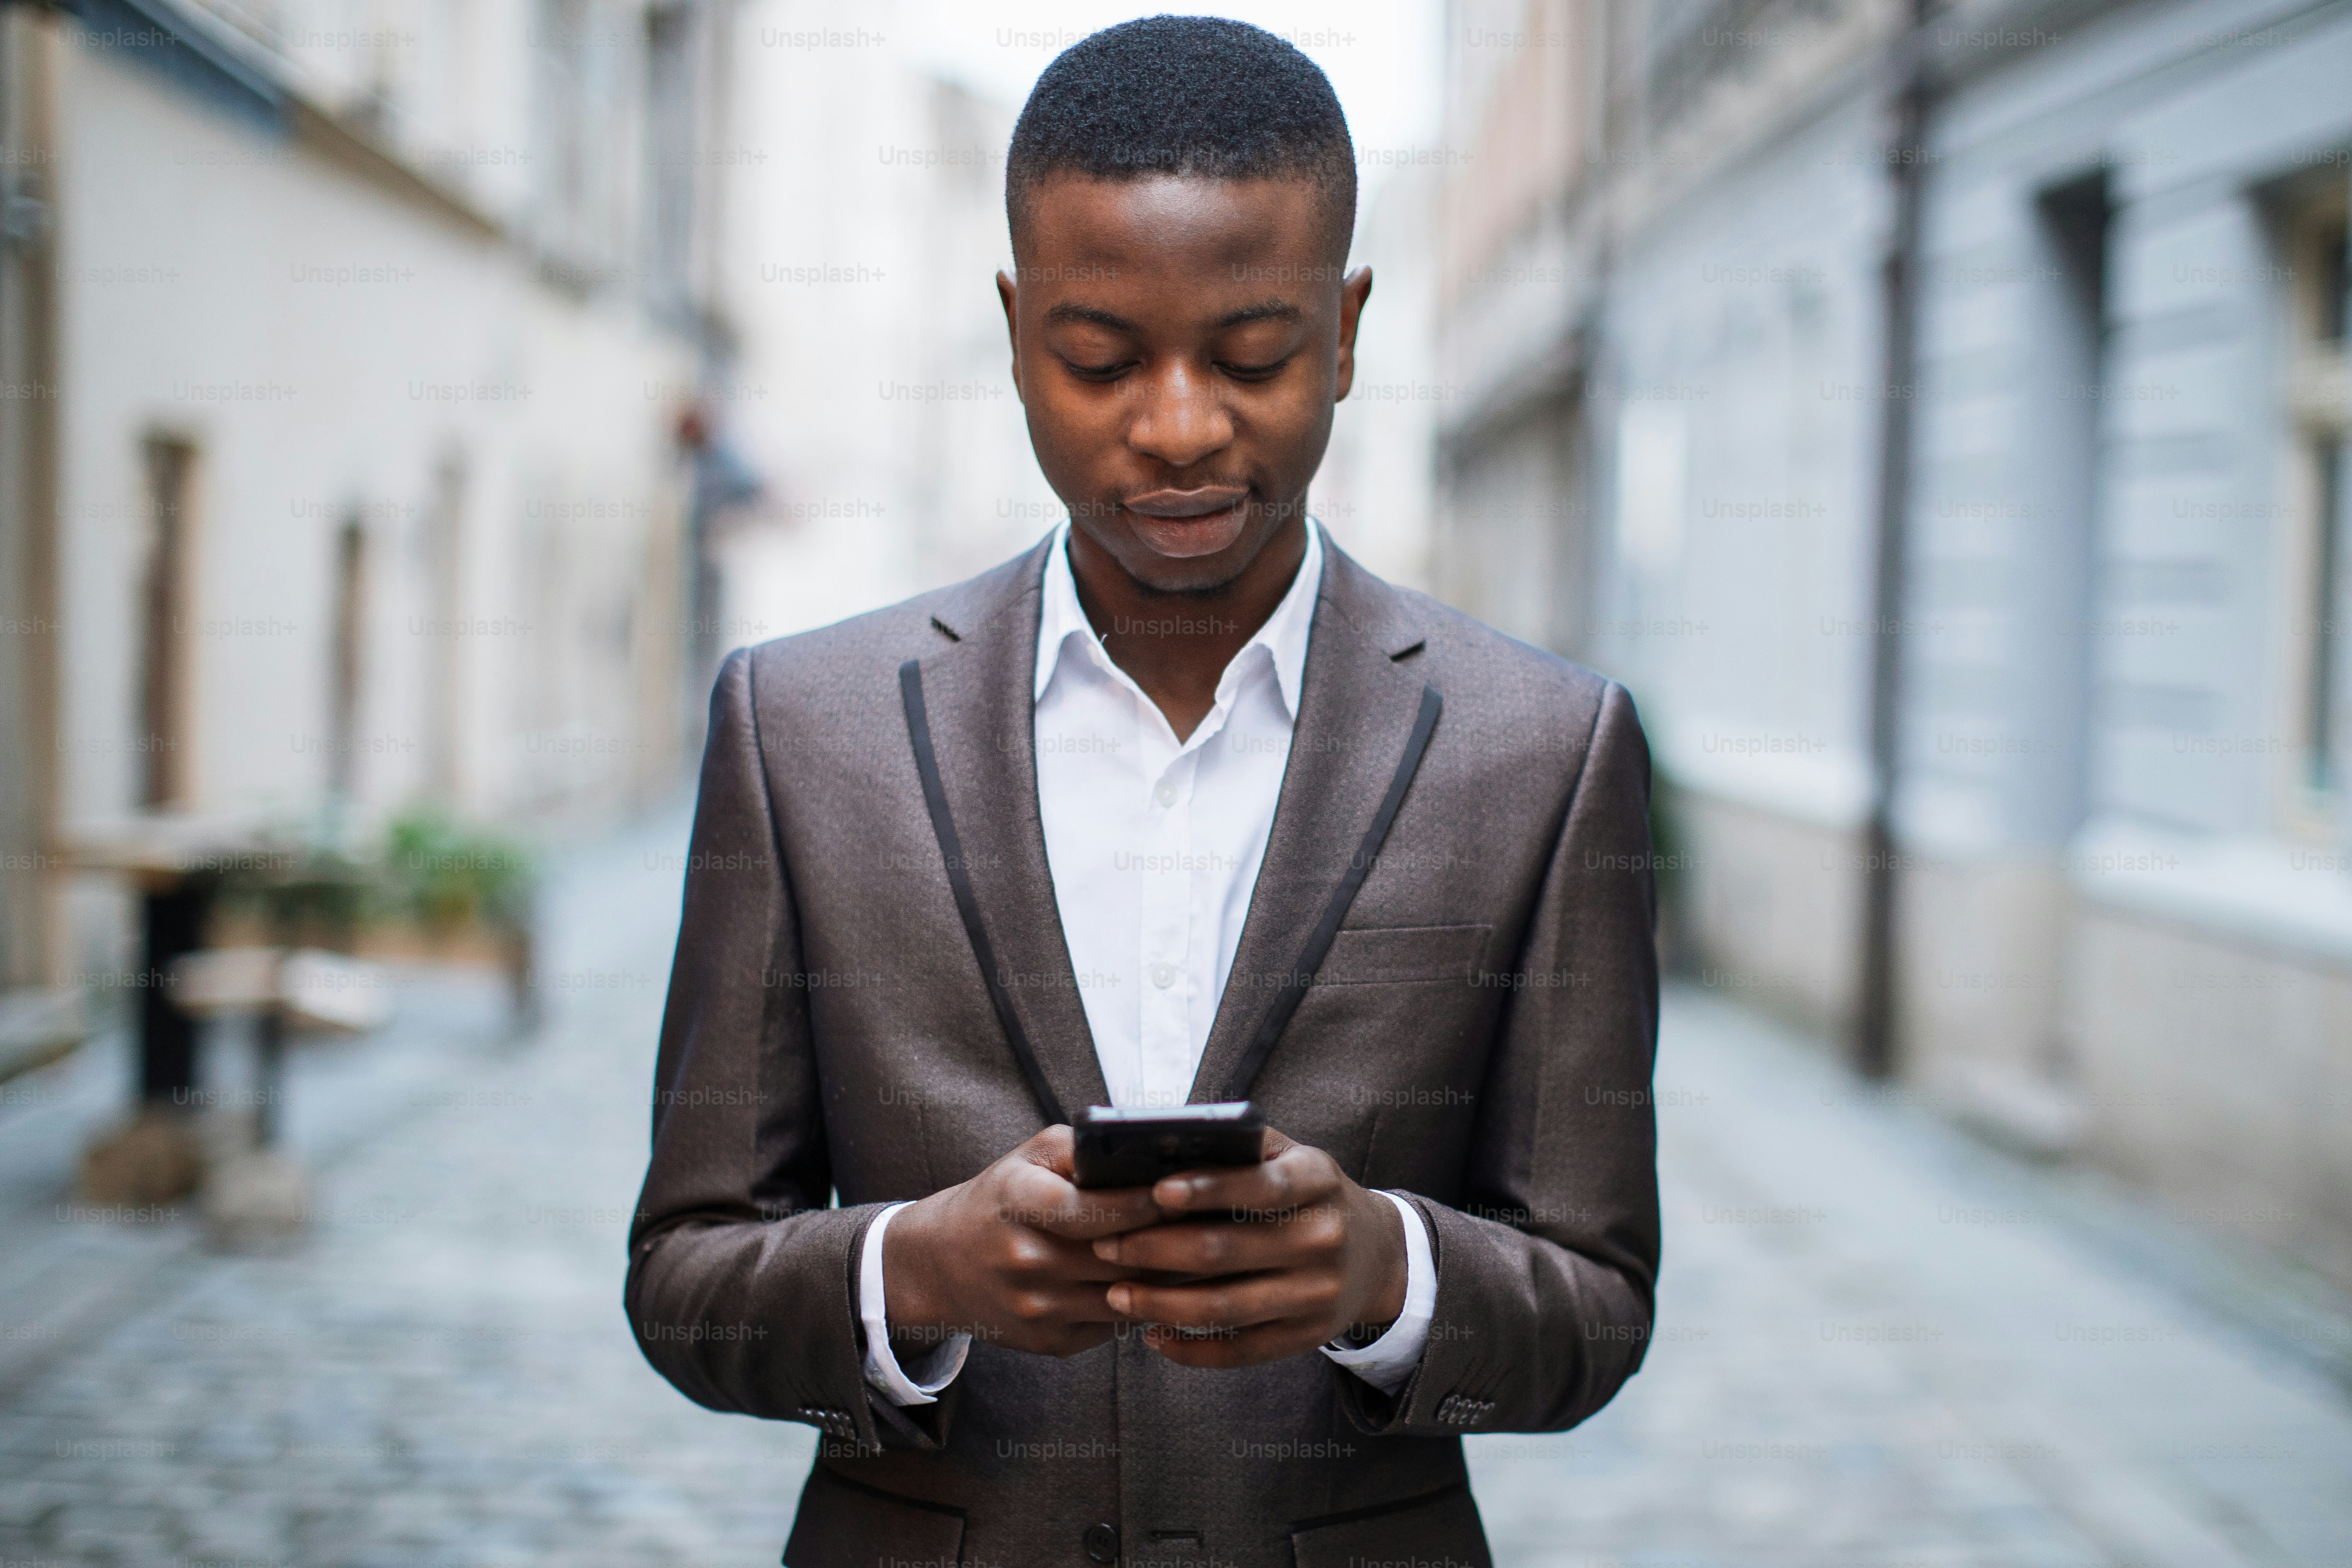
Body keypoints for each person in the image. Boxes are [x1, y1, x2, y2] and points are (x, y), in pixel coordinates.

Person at [627, 17, 1660, 1567]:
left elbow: (1598, 1307)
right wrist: (914, 1271)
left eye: (1252, 357)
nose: (1179, 427)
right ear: (1014, 330)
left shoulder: (1543, 748)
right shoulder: (803, 730)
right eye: (1101, 359)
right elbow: (684, 1279)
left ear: (1347, 332)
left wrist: (1386, 1270)